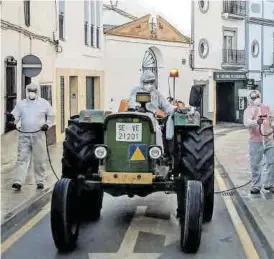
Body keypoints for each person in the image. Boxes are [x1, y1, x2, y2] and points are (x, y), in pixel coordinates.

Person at [7, 83, 55, 191]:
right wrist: (12, 122)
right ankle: (18, 181)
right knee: (22, 158)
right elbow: (15, 116)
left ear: (37, 91)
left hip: (39, 135)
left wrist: (47, 124)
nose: (31, 92)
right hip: (24, 134)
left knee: (39, 159)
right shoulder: (21, 104)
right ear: (26, 91)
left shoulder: (44, 103)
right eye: (29, 90)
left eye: (33, 90)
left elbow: (51, 115)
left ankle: (40, 181)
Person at [128, 70, 175, 152]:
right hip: (136, 118)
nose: (149, 85)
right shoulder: (136, 91)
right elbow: (132, 102)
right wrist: (137, 107)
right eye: (146, 82)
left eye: (151, 82)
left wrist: (175, 109)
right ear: (142, 82)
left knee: (157, 131)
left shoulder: (156, 94)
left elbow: (167, 106)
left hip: (151, 118)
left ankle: (159, 153)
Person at [243, 89, 274, 194]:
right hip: (256, 141)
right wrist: (256, 122)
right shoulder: (248, 110)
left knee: (271, 162)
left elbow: (272, 119)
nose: (256, 99)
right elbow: (247, 123)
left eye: (257, 97)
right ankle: (256, 186)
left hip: (269, 139)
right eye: (253, 97)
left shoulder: (267, 108)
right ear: (250, 99)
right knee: (255, 164)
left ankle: (269, 184)